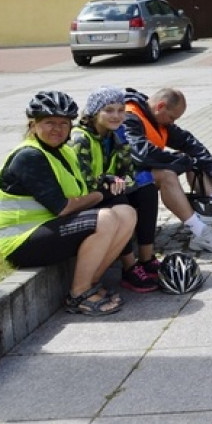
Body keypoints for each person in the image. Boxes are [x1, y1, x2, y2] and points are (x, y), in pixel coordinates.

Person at [1, 91, 136, 316]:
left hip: (49, 227)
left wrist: (105, 182)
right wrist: (100, 195)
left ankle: (91, 284)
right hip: (20, 240)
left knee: (126, 213)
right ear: (33, 125)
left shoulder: (64, 150)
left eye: (64, 123)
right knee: (105, 218)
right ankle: (78, 294)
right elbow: (64, 207)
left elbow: (82, 189)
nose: (57, 129)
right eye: (49, 123)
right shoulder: (29, 157)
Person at [124, 88, 212, 253]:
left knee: (192, 158)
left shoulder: (156, 117)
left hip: (140, 174)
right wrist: (183, 162)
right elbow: (142, 155)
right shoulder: (129, 117)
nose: (172, 122)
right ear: (160, 106)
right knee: (167, 175)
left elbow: (188, 141)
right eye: (172, 117)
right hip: (122, 181)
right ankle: (199, 232)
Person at [70, 86, 161, 293]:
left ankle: (146, 259)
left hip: (107, 190)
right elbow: (82, 181)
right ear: (94, 112)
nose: (116, 116)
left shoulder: (116, 136)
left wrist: (120, 181)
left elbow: (128, 172)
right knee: (118, 199)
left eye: (121, 110)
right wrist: (108, 181)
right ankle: (129, 267)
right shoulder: (80, 138)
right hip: (85, 198)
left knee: (147, 190)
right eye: (109, 110)